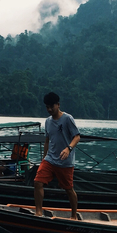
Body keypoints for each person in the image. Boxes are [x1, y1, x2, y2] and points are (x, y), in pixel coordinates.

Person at [34, 91, 81, 219]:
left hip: (65, 161)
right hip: (50, 159)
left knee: (68, 189)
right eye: (47, 107)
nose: (49, 109)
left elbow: (77, 137)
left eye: (51, 107)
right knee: (38, 182)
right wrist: (44, 158)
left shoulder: (67, 119)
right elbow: (47, 140)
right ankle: (38, 212)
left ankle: (74, 215)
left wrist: (68, 148)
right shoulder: (48, 121)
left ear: (58, 105)